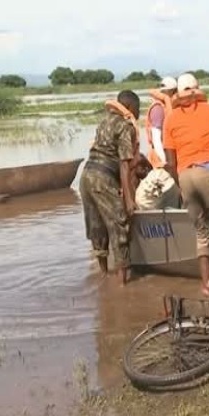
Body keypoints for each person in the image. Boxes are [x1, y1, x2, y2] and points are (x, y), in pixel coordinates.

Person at [162, 72, 209, 297]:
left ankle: (206, 286)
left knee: (202, 232)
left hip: (184, 175)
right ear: (198, 89)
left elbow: (170, 162)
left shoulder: (170, 118)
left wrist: (181, 186)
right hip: (208, 170)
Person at [78, 90, 141, 286]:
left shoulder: (104, 120)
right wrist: (129, 199)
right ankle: (123, 284)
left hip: (86, 175)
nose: (138, 114)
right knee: (118, 225)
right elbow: (123, 164)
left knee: (97, 227)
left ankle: (104, 276)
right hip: (103, 178)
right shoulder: (125, 126)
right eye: (138, 109)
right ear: (130, 107)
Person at [144, 77, 177, 168]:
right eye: (175, 92)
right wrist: (165, 162)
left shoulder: (167, 106)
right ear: (170, 91)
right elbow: (156, 139)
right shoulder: (158, 108)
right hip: (159, 157)